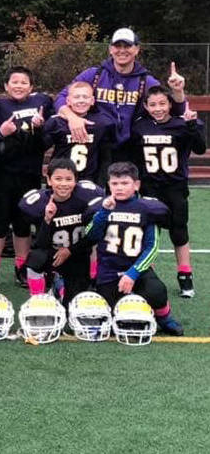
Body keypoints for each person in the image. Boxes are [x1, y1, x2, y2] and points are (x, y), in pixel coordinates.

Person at [84, 162, 183, 336]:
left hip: (138, 269)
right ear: (108, 185)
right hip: (109, 270)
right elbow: (90, 236)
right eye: (115, 183)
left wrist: (133, 273)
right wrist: (104, 212)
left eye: (125, 183)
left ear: (136, 185)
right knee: (110, 314)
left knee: (156, 291)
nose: (119, 188)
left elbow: (152, 247)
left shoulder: (148, 209)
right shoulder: (102, 206)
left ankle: (164, 317)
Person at [0, 66, 51, 289]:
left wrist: (39, 127)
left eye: (24, 82)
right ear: (6, 86)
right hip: (1, 172)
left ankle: (22, 267)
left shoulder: (42, 103)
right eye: (14, 82)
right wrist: (0, 133)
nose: (19, 86)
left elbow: (46, 140)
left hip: (29, 172)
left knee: (23, 222)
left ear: (31, 86)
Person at [53, 27, 185, 154]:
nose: (122, 50)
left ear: (137, 49)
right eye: (117, 46)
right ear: (110, 49)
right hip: (97, 147)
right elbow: (62, 98)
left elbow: (175, 111)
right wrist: (72, 118)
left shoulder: (146, 81)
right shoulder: (93, 75)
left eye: (127, 46)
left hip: (130, 147)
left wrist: (178, 91)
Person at [130, 84, 205, 298]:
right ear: (146, 106)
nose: (158, 108)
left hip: (175, 187)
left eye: (162, 103)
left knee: (179, 232)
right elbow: (134, 156)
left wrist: (192, 125)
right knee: (149, 233)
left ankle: (185, 275)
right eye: (153, 104)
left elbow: (200, 148)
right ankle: (148, 276)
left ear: (170, 104)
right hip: (150, 187)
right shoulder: (140, 127)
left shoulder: (182, 124)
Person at [18, 158, 104, 306]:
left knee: (72, 304)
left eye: (68, 179)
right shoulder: (40, 202)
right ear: (49, 180)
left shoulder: (86, 197)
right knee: (35, 259)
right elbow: (40, 243)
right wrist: (47, 219)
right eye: (58, 179)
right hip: (52, 253)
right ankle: (37, 299)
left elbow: (93, 236)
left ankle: (59, 286)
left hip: (78, 253)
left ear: (76, 180)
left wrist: (70, 250)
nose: (63, 184)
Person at [43, 81, 115, 184]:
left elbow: (105, 157)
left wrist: (101, 182)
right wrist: (37, 128)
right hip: (61, 179)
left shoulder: (102, 123)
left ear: (92, 101)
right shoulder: (56, 122)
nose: (81, 100)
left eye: (85, 97)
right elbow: (40, 147)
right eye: (76, 97)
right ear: (68, 101)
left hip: (89, 179)